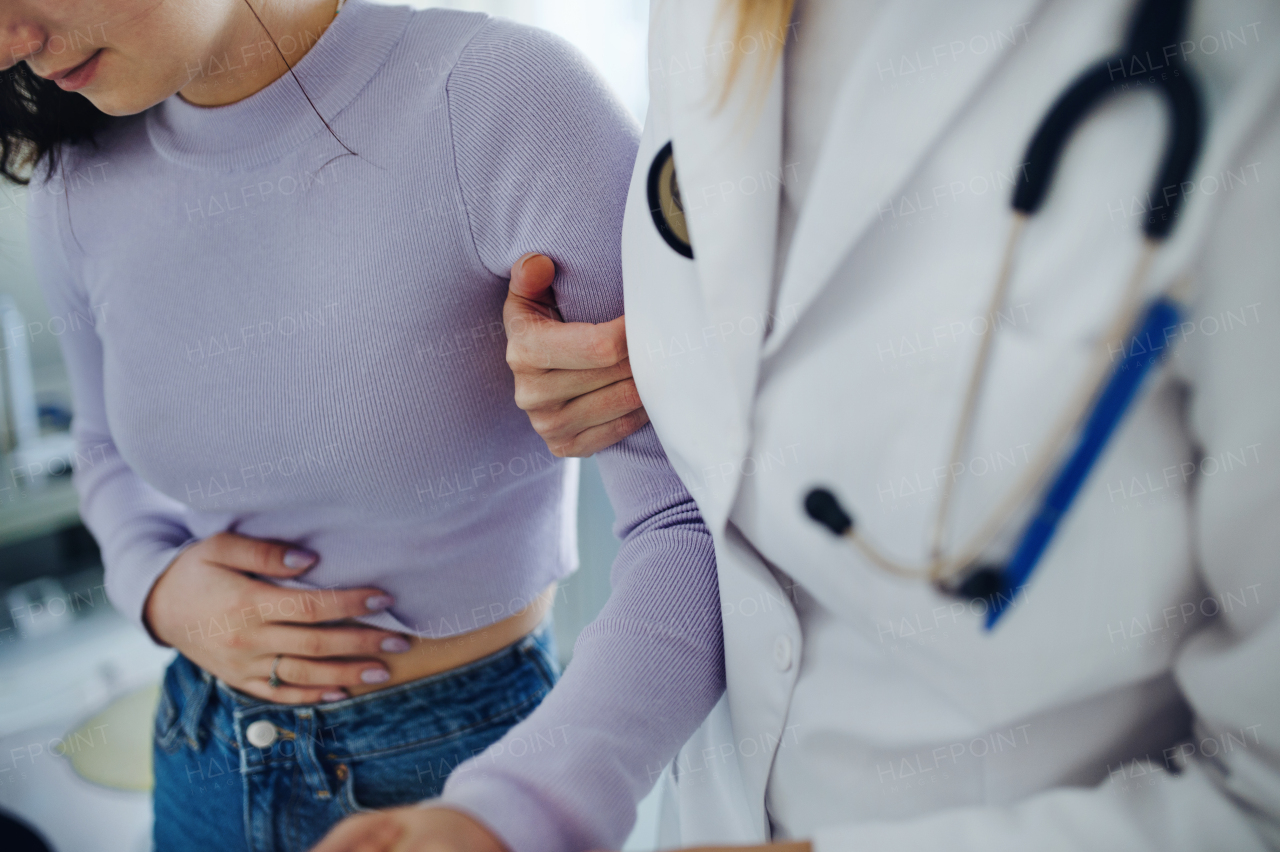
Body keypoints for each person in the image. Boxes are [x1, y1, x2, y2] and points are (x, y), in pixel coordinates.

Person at [318, 0, 1280, 850]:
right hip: (706, 805)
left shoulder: (1242, 71)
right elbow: (712, 523)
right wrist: (507, 817)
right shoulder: (708, 21)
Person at [1, 1, 725, 849]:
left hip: (463, 774)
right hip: (200, 755)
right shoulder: (72, 173)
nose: (9, 39)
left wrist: (515, 814)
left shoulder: (502, 98)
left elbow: (692, 524)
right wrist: (154, 589)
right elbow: (101, 447)